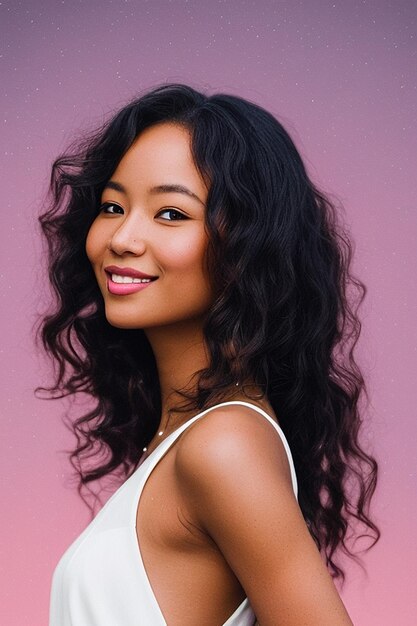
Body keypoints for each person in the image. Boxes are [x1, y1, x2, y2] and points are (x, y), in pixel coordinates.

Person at [37, 83, 379, 625]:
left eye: (171, 214)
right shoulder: (186, 441)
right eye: (112, 205)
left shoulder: (223, 447)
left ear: (247, 244)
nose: (122, 237)